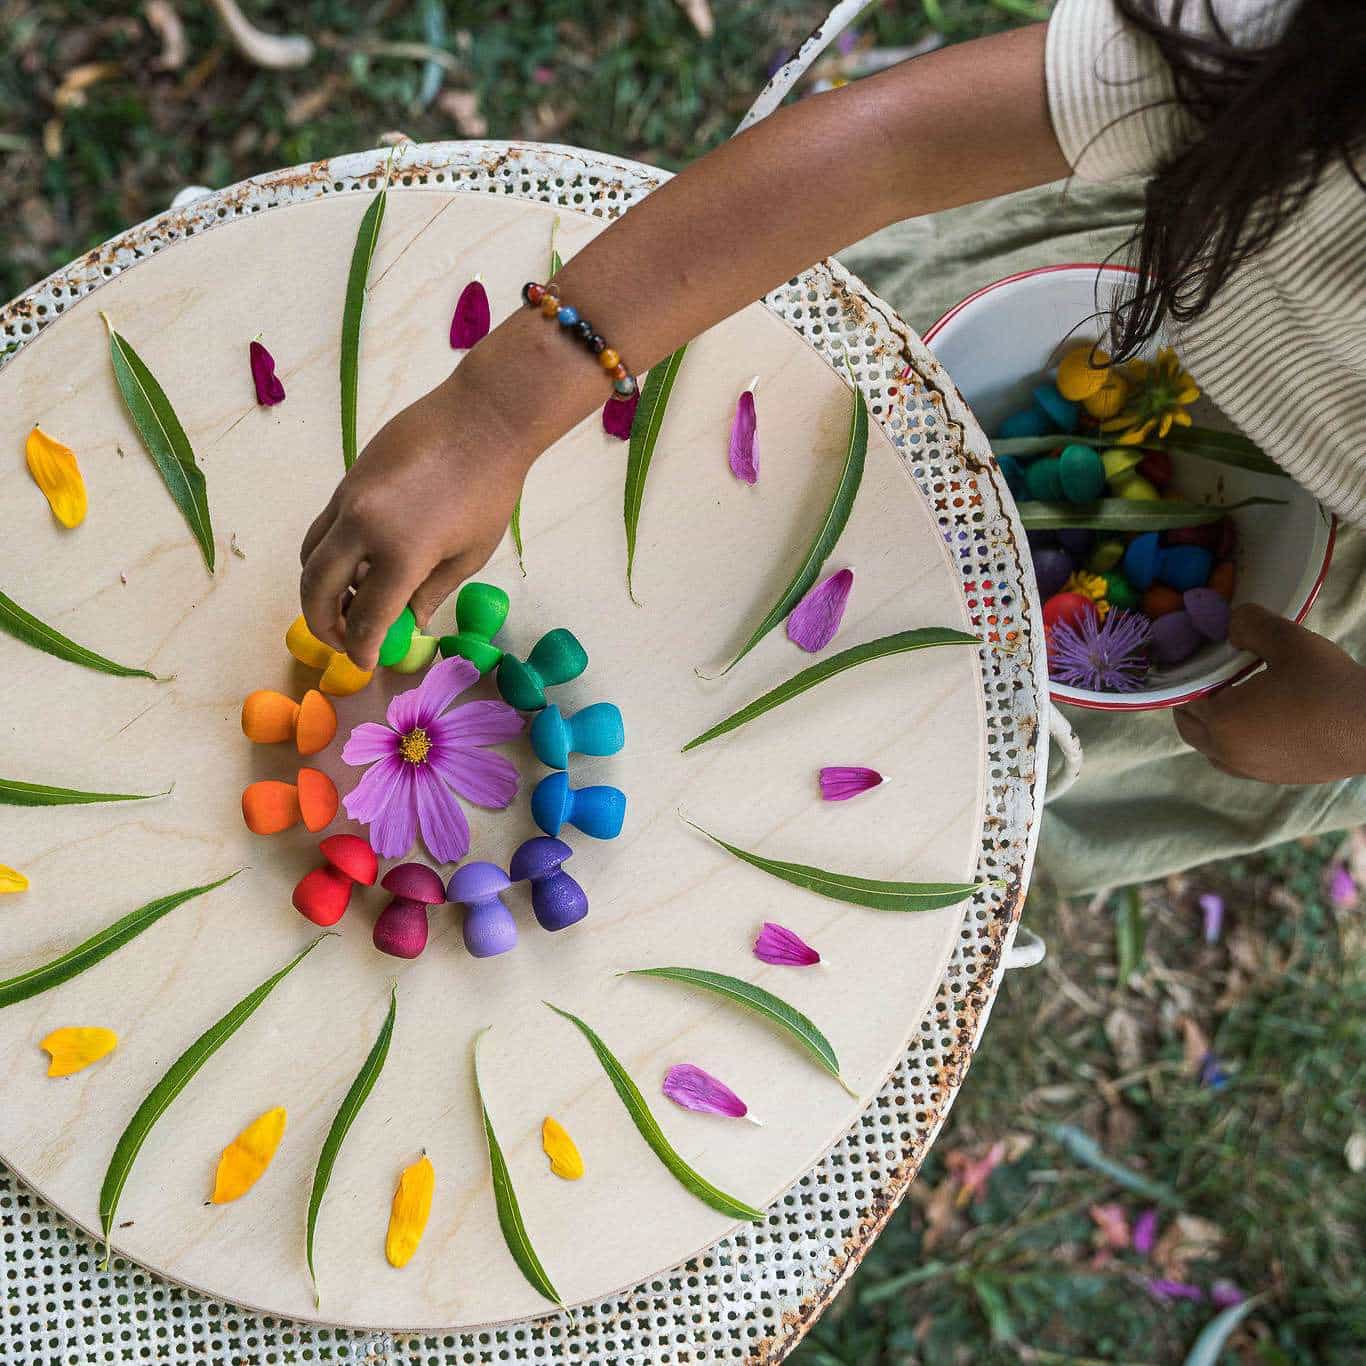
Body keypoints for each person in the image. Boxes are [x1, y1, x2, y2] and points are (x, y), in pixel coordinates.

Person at [298, 0, 1365, 893]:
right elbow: (892, 148)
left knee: (900, 751)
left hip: (1317, 616)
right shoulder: (1298, 41)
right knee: (744, 487)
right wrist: (497, 410)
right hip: (1136, 301)